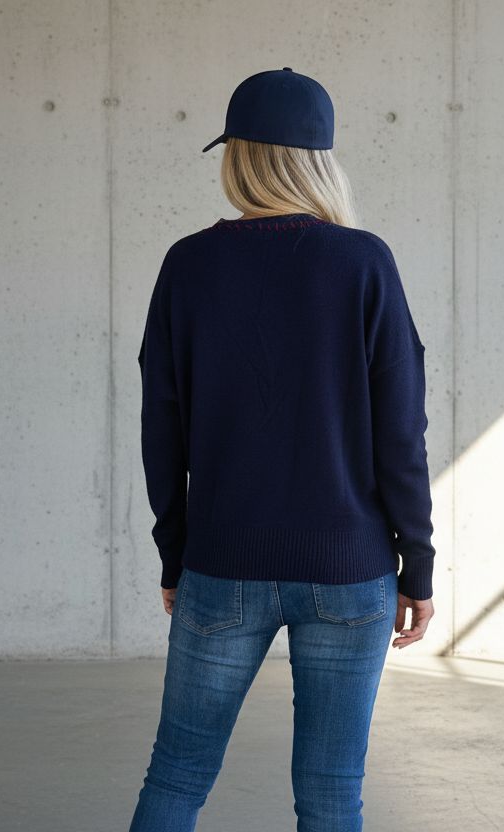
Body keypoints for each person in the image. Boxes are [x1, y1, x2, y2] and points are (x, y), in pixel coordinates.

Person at [129, 67, 436, 832]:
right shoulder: (364, 263)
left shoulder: (189, 264)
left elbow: (161, 426)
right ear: (318, 161)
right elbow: (401, 434)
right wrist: (418, 563)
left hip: (222, 561)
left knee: (177, 773)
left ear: (238, 157)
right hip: (349, 569)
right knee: (332, 788)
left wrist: (175, 554)